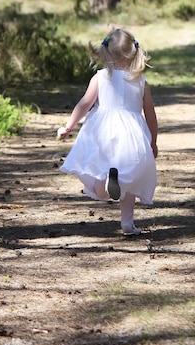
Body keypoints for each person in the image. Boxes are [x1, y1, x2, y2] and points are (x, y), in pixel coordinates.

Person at [57, 28, 158, 236]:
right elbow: (150, 114)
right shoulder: (140, 81)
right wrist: (153, 141)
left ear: (105, 54)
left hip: (102, 132)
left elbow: (85, 104)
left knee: (100, 174)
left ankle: (104, 184)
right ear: (133, 54)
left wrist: (69, 126)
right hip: (132, 134)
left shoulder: (100, 77)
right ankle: (127, 224)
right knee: (130, 180)